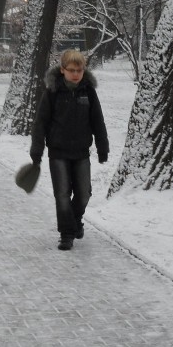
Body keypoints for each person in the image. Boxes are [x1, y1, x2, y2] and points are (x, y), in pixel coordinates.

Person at [30, 49, 109, 251]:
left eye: (80, 70)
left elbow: (97, 121)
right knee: (62, 195)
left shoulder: (88, 91)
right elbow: (41, 123)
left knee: (84, 194)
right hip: (58, 153)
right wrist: (36, 152)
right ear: (63, 70)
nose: (76, 74)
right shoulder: (52, 92)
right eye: (72, 70)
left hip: (81, 152)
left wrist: (103, 147)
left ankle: (75, 221)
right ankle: (67, 234)